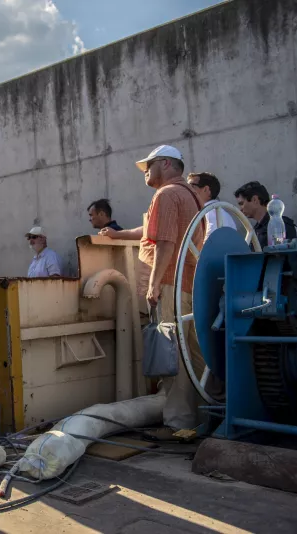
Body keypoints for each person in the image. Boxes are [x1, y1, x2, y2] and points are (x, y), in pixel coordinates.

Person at [101, 145, 205, 430]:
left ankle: (179, 423)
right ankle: (205, 415)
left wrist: (155, 284)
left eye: (150, 164)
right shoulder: (191, 196)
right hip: (187, 286)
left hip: (169, 286)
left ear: (167, 164)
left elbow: (166, 242)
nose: (145, 170)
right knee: (192, 353)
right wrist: (118, 234)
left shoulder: (166, 194)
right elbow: (152, 232)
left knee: (173, 357)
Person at [234, 181, 297, 246]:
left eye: (241, 203)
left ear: (255, 200)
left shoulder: (281, 227)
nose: (240, 209)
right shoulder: (256, 230)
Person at [186, 172, 236, 240]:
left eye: (191, 186)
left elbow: (208, 246)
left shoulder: (210, 214)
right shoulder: (220, 213)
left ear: (206, 189)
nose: (187, 190)